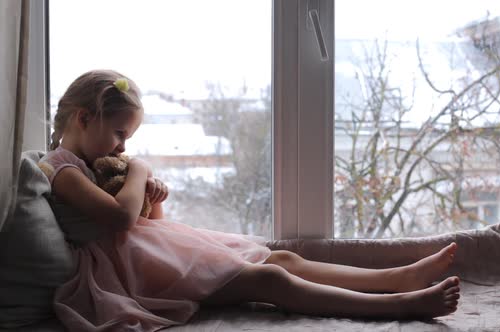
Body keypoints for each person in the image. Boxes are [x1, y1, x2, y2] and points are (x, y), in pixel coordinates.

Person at [39, 69, 461, 331]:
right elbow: (119, 220)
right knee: (270, 282)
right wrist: (141, 172)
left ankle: (398, 277)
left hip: (150, 253)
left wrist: (153, 197)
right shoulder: (60, 167)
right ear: (84, 118)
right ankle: (398, 306)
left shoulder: (93, 163)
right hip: (123, 273)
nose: (121, 147)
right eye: (119, 135)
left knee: (281, 261)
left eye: (126, 140)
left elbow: (145, 218)